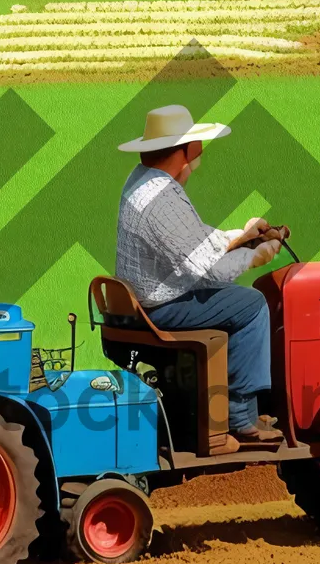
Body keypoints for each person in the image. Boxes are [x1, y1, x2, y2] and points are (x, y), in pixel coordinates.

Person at [115, 104, 286, 450]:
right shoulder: (163, 198)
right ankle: (239, 418)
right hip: (162, 305)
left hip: (146, 297)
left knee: (231, 297)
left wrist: (242, 235)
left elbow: (190, 241)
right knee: (251, 305)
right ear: (185, 152)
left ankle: (240, 412)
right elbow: (210, 268)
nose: (199, 154)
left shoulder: (141, 181)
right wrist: (254, 256)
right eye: (196, 147)